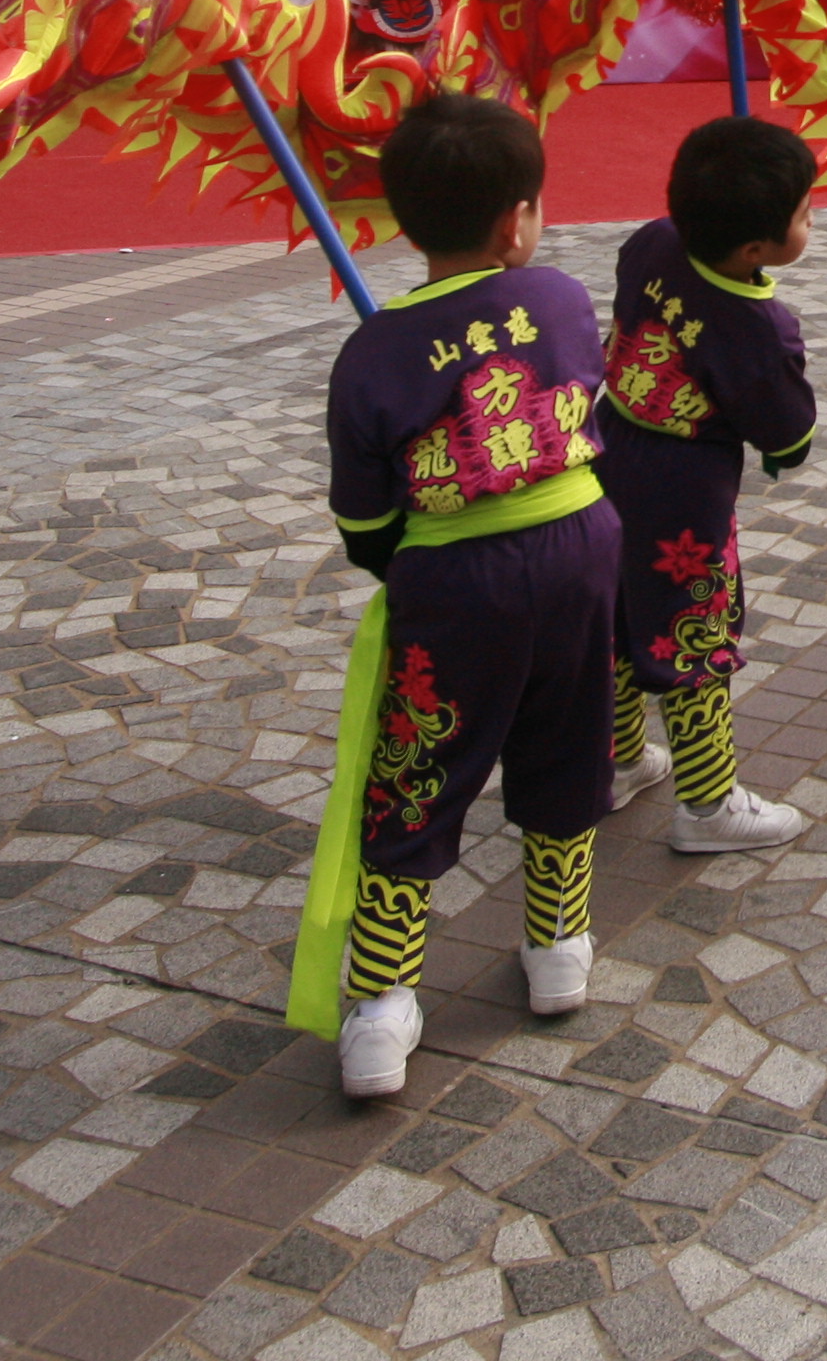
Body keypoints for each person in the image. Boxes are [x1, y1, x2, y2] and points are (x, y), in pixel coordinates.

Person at [303, 94, 617, 1088]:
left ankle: (381, 1005)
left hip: (453, 582)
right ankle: (558, 947)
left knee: (418, 769)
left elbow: (364, 522)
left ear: (405, 222)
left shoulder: (373, 351)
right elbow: (586, 403)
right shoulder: (559, 300)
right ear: (517, 222)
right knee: (567, 739)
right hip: (581, 555)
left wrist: (414, 562)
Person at [596, 116, 820, 854]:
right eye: (805, 213)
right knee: (693, 637)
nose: (812, 220)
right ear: (755, 248)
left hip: (605, 450)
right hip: (682, 495)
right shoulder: (758, 326)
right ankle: (707, 803)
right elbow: (787, 436)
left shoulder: (654, 241)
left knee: (615, 614)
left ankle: (616, 759)